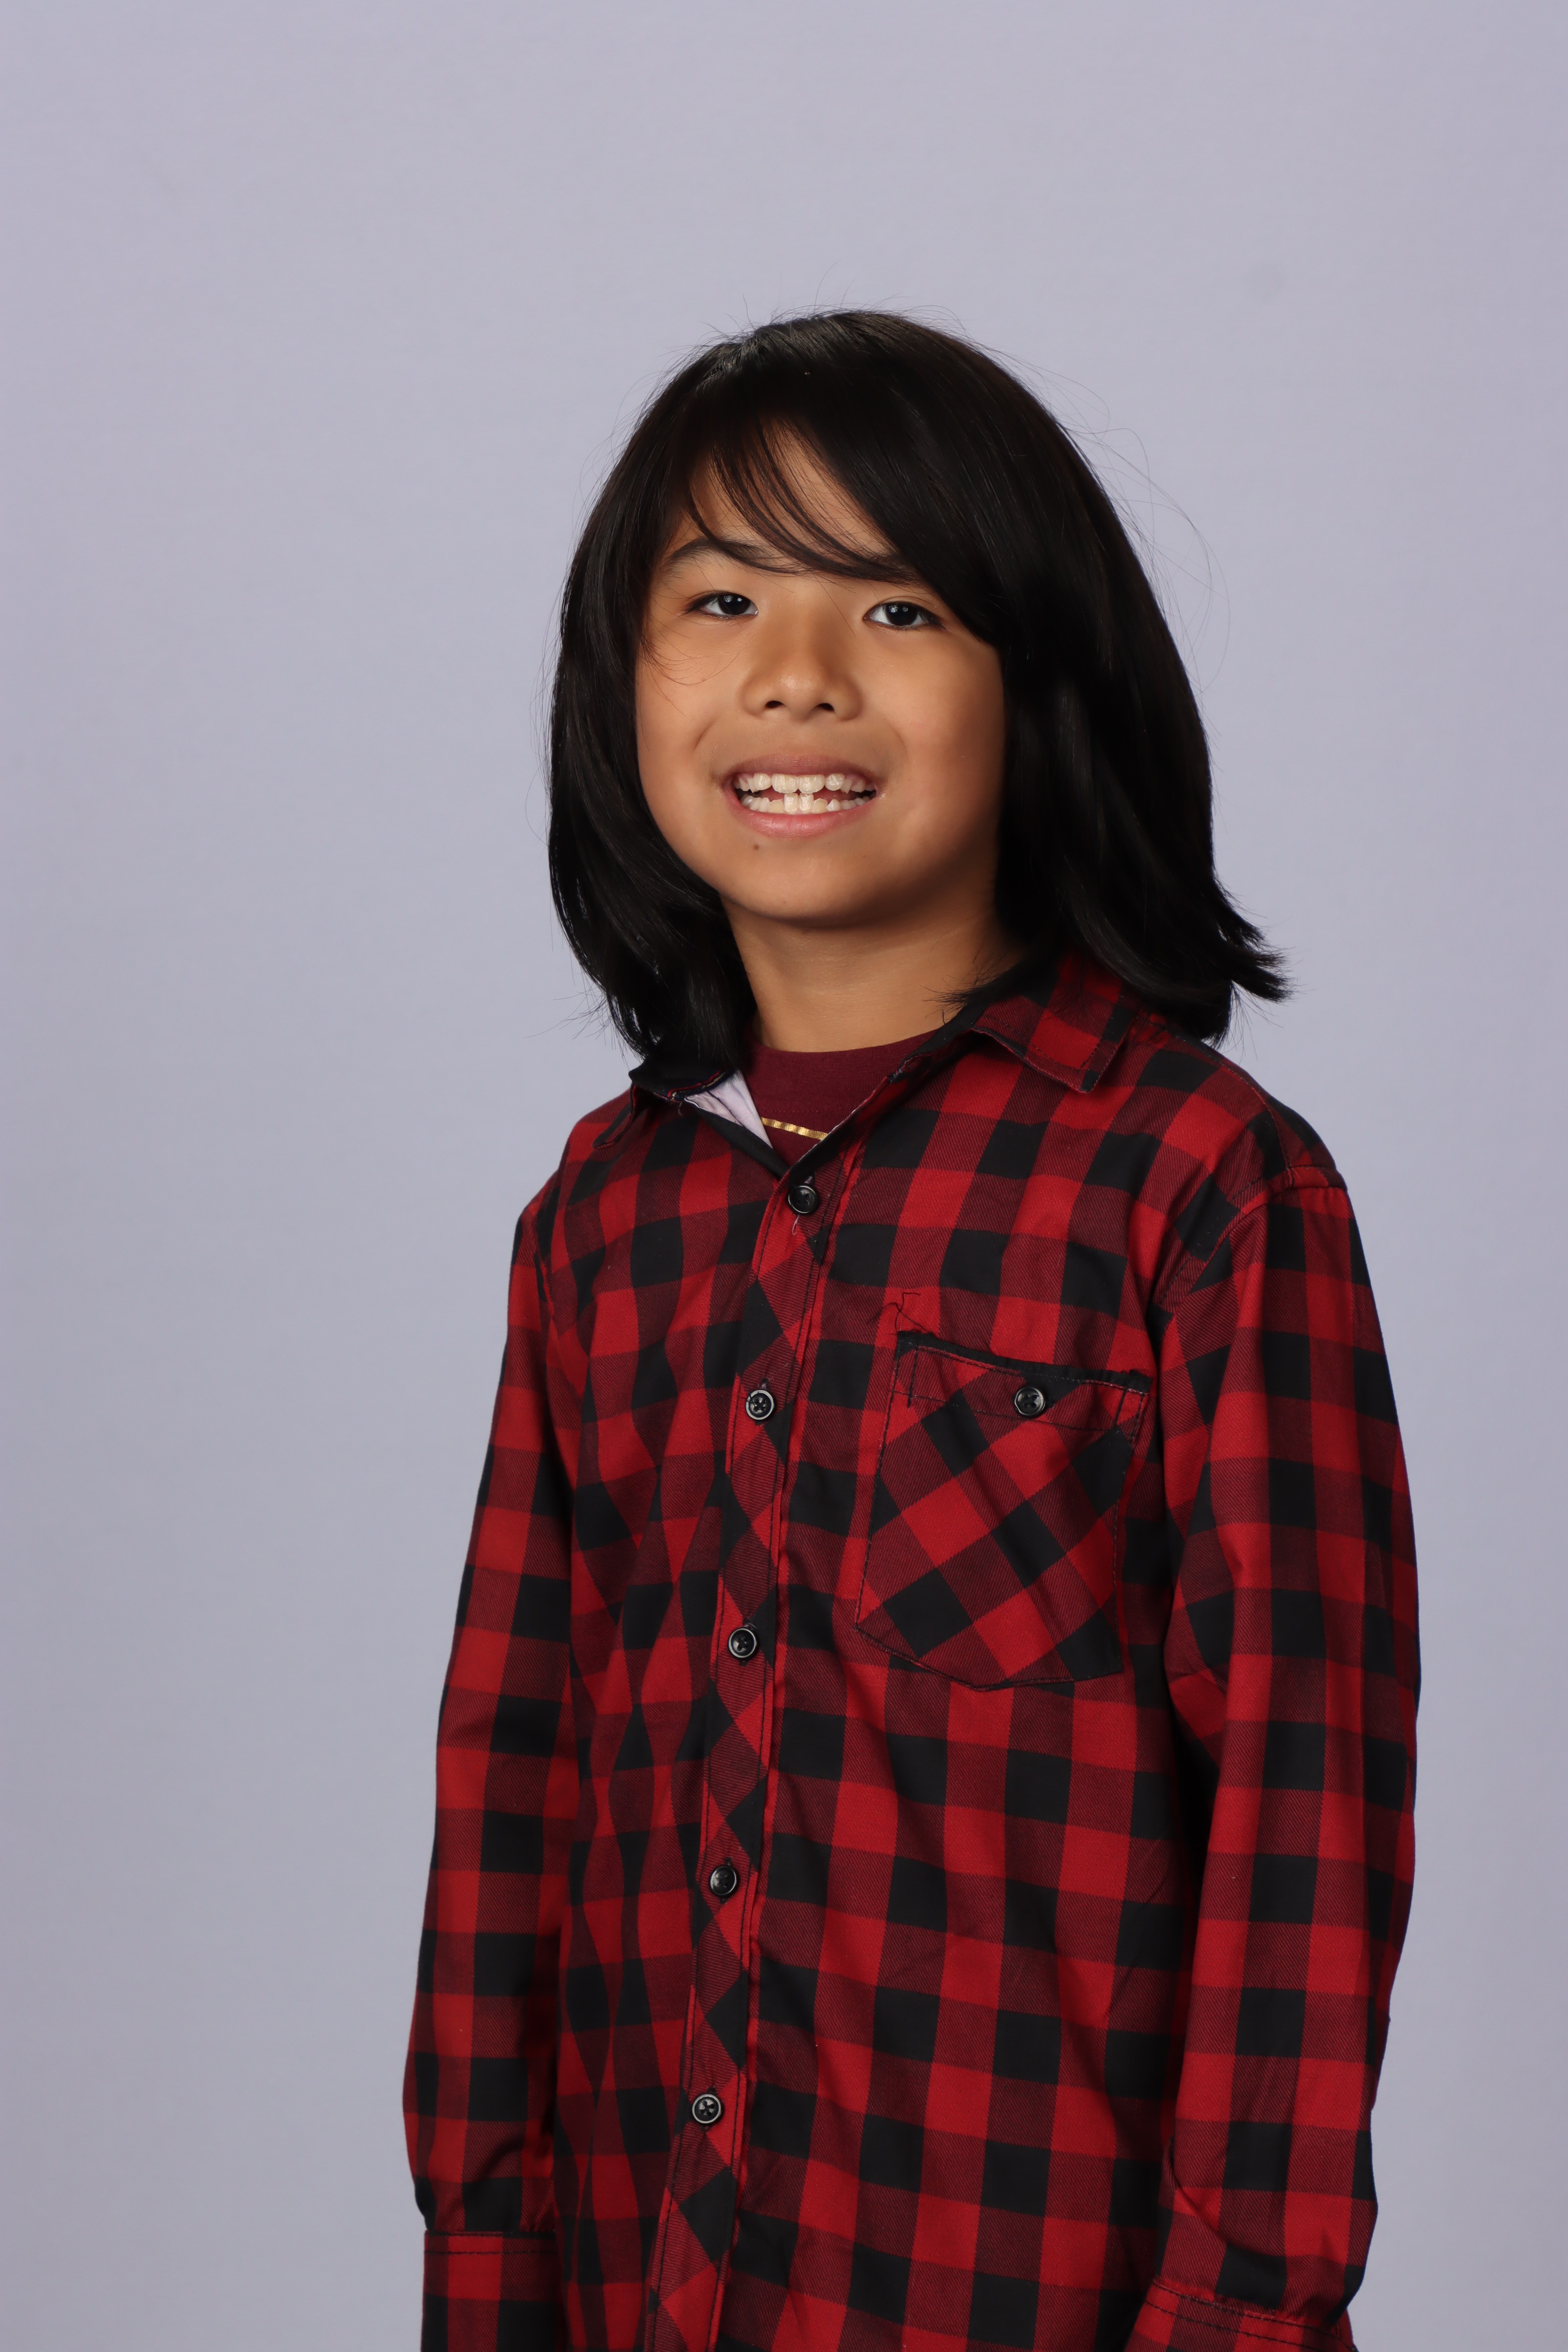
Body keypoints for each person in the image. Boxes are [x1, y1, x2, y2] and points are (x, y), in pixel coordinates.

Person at [404, 312, 1417, 2352]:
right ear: (620, 688)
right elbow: (513, 1785)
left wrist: (1236, 2316)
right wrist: (484, 2264)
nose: (798, 672)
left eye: (896, 604)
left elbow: (1302, 1833)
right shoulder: (601, 1222)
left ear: (1041, 684)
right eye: (720, 600)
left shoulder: (1201, 1193)